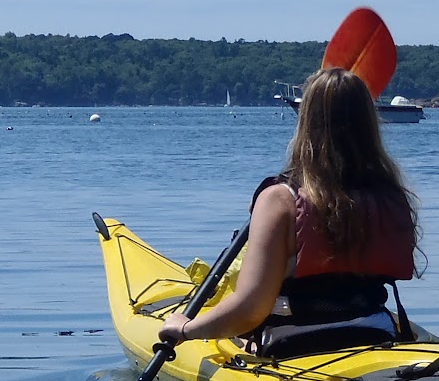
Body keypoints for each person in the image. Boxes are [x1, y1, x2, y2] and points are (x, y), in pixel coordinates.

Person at [159, 67, 419, 357]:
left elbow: (249, 310)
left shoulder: (281, 201)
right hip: (378, 334)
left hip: (295, 346)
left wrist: (185, 328)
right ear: (370, 124)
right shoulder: (390, 195)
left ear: (306, 121)